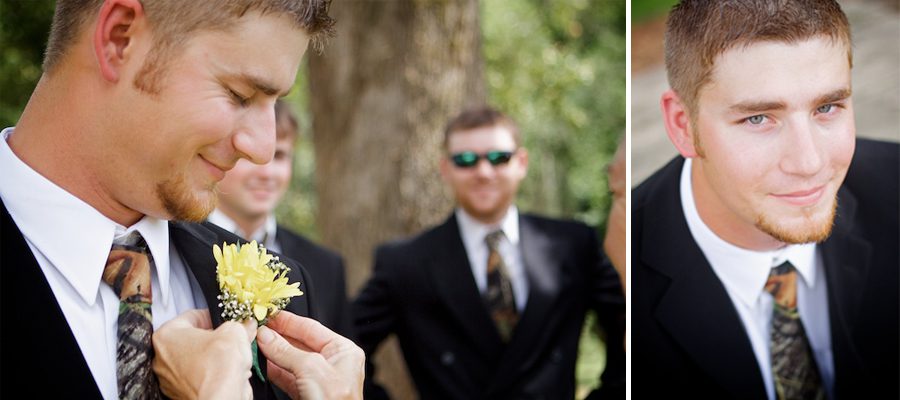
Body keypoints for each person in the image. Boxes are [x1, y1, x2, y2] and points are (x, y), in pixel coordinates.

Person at [0, 1, 363, 399]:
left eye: (274, 104)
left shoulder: (284, 286)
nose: (263, 147)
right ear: (119, 39)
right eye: (239, 94)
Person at [632, 1, 899, 399]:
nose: (809, 162)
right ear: (682, 125)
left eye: (827, 108)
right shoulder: (623, 270)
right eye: (758, 118)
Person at [353, 107, 625, 399]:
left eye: (498, 158)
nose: (483, 172)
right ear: (446, 169)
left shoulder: (572, 243)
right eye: (466, 160)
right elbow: (347, 342)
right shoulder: (404, 263)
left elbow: (629, 321)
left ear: (521, 162)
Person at [208, 99, 354, 339]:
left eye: (279, 156)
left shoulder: (326, 267)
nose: (266, 173)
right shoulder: (174, 246)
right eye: (249, 157)